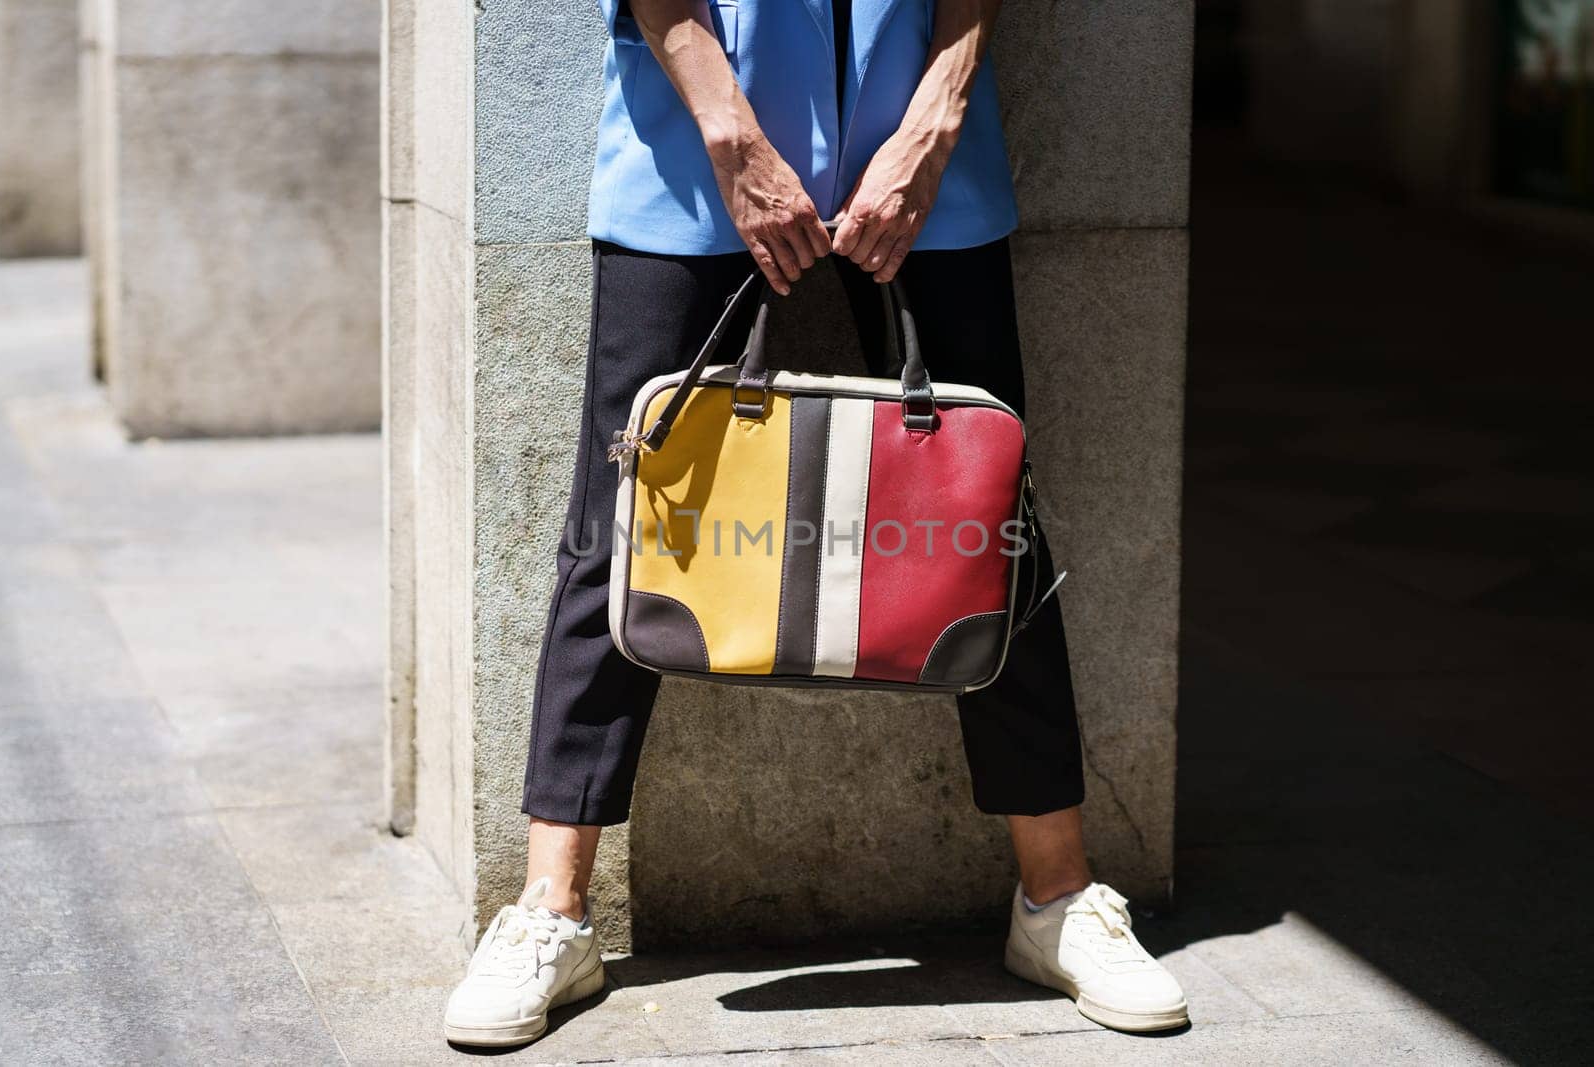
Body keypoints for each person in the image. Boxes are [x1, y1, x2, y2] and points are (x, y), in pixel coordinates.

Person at [442, 0, 1188, 1047]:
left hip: (921, 140)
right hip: (693, 146)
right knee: (630, 511)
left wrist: (933, 122)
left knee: (982, 516)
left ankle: (1056, 896)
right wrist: (733, 135)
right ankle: (550, 911)